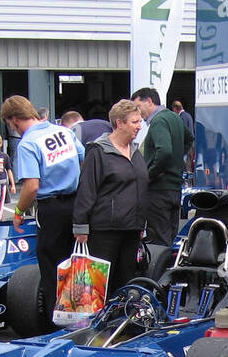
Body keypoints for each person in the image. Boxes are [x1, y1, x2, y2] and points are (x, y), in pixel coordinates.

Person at [2, 93, 85, 329]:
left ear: (14, 121)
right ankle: (81, 316)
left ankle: (56, 325)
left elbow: (32, 186)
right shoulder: (64, 131)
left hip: (51, 208)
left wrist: (18, 210)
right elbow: (83, 159)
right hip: (77, 203)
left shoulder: (28, 143)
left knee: (52, 268)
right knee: (76, 261)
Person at [72, 99, 148, 298]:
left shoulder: (136, 151)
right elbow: (86, 190)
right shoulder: (99, 151)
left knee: (126, 282)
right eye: (135, 122)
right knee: (101, 285)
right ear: (119, 123)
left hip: (131, 229)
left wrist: (141, 225)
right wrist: (81, 226)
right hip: (105, 230)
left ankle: (122, 322)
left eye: (140, 121)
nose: (139, 126)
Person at [134, 85, 192, 268]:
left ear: (149, 101)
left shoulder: (159, 121)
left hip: (159, 190)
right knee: (169, 239)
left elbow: (164, 151)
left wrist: (149, 174)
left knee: (159, 243)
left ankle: (158, 283)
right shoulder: (174, 118)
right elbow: (189, 138)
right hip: (174, 189)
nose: (138, 113)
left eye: (138, 107)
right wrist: (177, 160)